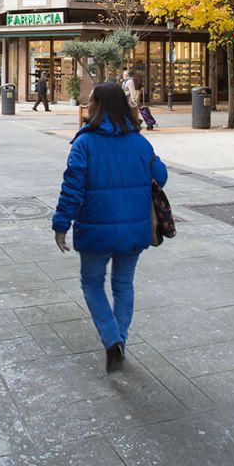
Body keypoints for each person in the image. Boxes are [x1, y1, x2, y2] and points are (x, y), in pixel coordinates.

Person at [52, 82, 167, 373]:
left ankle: (111, 338)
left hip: (96, 230)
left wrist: (61, 225)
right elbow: (161, 176)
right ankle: (121, 341)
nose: (87, 104)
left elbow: (72, 190)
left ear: (100, 105)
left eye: (90, 100)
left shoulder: (84, 143)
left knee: (92, 283)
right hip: (134, 230)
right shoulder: (140, 142)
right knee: (123, 285)